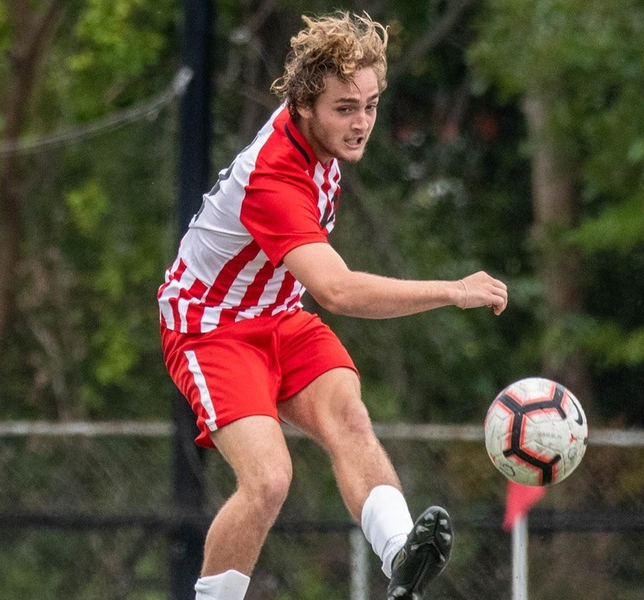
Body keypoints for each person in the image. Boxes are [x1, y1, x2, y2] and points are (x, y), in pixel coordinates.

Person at [157, 12, 508, 600]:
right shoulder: (273, 179)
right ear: (302, 107)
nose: (361, 123)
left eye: (370, 105)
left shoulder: (319, 141)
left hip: (280, 314)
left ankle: (402, 560)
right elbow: (339, 292)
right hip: (209, 327)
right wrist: (453, 290)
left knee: (350, 416)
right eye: (345, 108)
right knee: (269, 480)